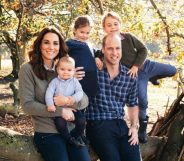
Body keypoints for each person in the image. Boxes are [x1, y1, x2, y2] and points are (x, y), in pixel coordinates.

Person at [100, 11, 177, 143]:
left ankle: (153, 77)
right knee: (142, 100)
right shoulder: (107, 42)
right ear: (104, 28)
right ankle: (142, 129)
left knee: (173, 70)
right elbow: (103, 55)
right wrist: (98, 59)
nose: (113, 27)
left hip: (146, 66)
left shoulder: (128, 37)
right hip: (135, 76)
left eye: (115, 24)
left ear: (120, 24)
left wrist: (136, 65)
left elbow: (143, 50)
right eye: (109, 25)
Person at [19, 26, 90, 161]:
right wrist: (60, 111)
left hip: (71, 131)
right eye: (46, 42)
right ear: (39, 45)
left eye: (55, 43)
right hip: (47, 133)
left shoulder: (65, 69)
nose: (51, 47)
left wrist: (68, 101)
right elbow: (27, 105)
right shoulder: (27, 69)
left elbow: (85, 100)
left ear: (60, 46)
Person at [86, 33, 141, 161]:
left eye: (117, 48)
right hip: (98, 123)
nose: (114, 52)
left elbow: (132, 104)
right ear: (103, 49)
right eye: (110, 48)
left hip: (121, 124)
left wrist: (133, 126)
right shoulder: (93, 72)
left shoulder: (129, 76)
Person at [45, 56, 87, 147]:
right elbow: (49, 93)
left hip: (72, 108)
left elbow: (80, 92)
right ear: (57, 69)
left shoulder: (75, 81)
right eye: (62, 69)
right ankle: (68, 139)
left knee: (82, 121)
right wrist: (50, 104)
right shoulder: (55, 82)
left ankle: (75, 135)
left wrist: (73, 99)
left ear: (73, 71)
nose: (66, 72)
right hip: (59, 110)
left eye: (69, 70)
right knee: (60, 124)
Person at [66, 15, 100, 97]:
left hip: (92, 82)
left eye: (87, 33)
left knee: (89, 104)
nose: (85, 35)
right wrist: (70, 72)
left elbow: (94, 52)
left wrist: (96, 57)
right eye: (82, 32)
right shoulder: (70, 43)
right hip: (80, 81)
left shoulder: (89, 44)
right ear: (75, 30)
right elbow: (60, 58)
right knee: (79, 105)